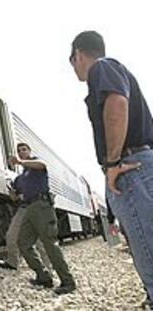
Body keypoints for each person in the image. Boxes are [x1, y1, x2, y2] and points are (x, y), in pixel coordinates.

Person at [70, 30, 153, 307]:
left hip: (131, 168)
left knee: (149, 257)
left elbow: (117, 102)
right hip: (140, 165)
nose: (74, 68)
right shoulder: (113, 69)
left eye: (72, 61)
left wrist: (113, 163)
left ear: (79, 54)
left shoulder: (101, 67)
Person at [12, 143, 75, 295]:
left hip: (42, 207)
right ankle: (43, 275)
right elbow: (16, 196)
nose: (22, 152)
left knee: (49, 244)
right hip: (29, 208)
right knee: (23, 242)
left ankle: (67, 281)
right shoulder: (21, 177)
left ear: (29, 151)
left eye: (24, 149)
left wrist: (20, 162)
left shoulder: (36, 164)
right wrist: (12, 192)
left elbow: (42, 165)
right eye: (19, 151)